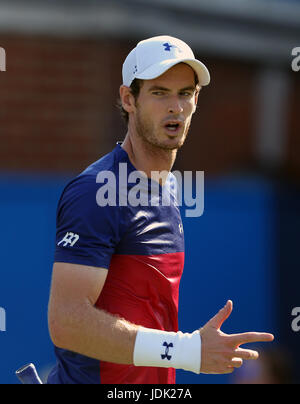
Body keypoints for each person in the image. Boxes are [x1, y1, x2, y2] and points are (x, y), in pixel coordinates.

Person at [47, 35, 274, 384]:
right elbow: (67, 322)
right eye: (159, 92)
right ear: (129, 99)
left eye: (185, 93)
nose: (175, 106)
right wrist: (187, 351)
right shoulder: (95, 191)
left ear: (196, 100)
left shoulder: (167, 188)